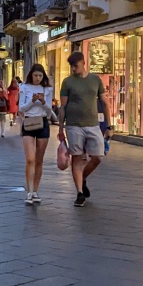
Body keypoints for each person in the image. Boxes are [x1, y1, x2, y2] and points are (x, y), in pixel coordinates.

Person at [59, 51, 106, 208]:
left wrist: (110, 125)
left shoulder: (95, 80)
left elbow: (105, 102)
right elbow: (63, 107)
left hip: (93, 124)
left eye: (75, 66)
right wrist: (60, 129)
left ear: (83, 62)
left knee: (98, 156)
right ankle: (79, 193)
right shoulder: (67, 82)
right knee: (77, 158)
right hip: (74, 125)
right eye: (71, 66)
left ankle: (83, 177)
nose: (73, 69)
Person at [18, 64, 55, 204]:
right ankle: (29, 190)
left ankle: (35, 191)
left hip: (42, 122)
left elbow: (49, 111)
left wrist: (43, 101)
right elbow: (21, 108)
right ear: (31, 75)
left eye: (40, 76)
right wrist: (32, 101)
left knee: (39, 160)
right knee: (30, 159)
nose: (38, 78)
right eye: (35, 75)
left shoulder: (47, 89)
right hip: (28, 122)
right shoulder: (24, 87)